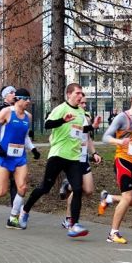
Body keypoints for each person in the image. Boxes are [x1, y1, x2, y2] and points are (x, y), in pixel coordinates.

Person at [18, 83, 87, 237]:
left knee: (77, 189)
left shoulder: (81, 112)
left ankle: (74, 225)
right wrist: (62, 120)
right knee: (45, 188)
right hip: (58, 155)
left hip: (73, 157)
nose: (80, 96)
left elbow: (79, 130)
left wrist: (92, 126)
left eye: (81, 93)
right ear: (69, 94)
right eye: (77, 93)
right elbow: (47, 124)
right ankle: (25, 210)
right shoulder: (61, 108)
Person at [0, 88, 41, 229]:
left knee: (22, 188)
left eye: (29, 99)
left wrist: (33, 149)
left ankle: (12, 218)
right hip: (4, 157)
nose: (29, 102)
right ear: (18, 99)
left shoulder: (28, 117)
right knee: (1, 192)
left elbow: (25, 137)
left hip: (20, 157)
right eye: (26, 99)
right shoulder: (6, 112)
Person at [98, 88, 132, 244]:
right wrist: (119, 141)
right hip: (123, 161)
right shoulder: (122, 118)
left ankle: (108, 198)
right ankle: (113, 233)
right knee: (127, 197)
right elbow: (105, 137)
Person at [58, 93, 103, 229]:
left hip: (84, 158)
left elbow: (88, 138)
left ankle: (67, 186)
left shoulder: (86, 118)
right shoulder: (69, 116)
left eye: (85, 103)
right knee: (78, 188)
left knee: (88, 190)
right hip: (72, 158)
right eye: (81, 102)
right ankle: (69, 219)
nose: (84, 105)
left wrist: (94, 153)